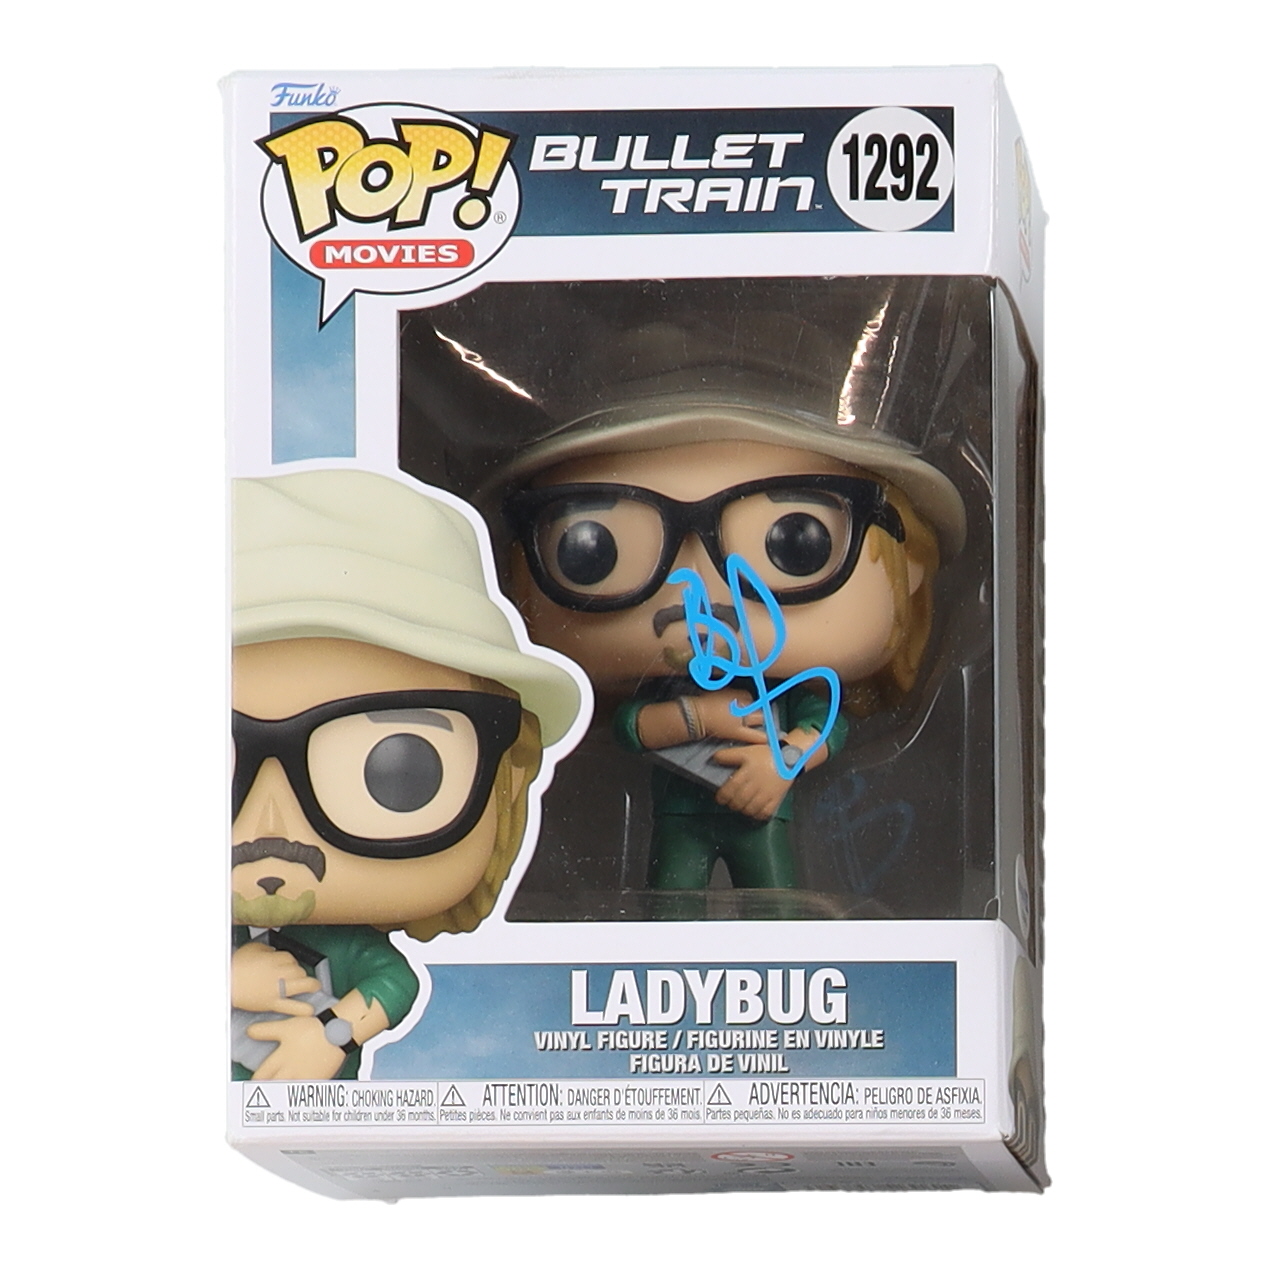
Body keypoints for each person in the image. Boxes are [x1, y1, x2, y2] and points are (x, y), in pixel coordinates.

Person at [502, 397, 964, 895]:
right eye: (592, 549)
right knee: (671, 906)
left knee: (777, 907)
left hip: (761, 812)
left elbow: (826, 730)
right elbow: (632, 728)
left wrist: (779, 768)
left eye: (797, 542)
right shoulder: (668, 687)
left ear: (910, 567)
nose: (696, 594)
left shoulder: (795, 688)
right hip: (681, 815)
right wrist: (701, 719)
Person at [231, 469, 581, 1079]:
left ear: (504, 776)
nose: (271, 829)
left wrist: (331, 1036)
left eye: (399, 770)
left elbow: (393, 985)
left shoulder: (351, 947)